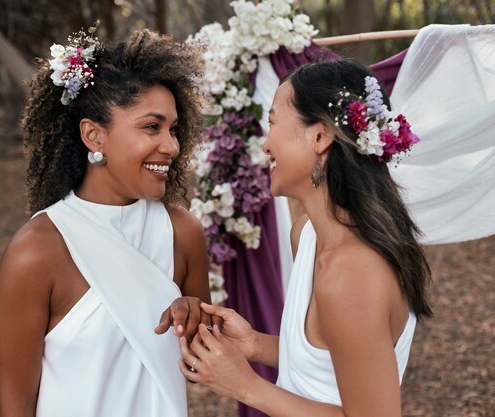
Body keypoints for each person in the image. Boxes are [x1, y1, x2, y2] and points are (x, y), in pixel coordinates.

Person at [174, 60, 432, 417]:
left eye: (273, 123)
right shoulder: (307, 236)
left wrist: (246, 386)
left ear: (320, 136)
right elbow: (336, 358)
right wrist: (254, 345)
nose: (265, 145)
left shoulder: (353, 277)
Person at [0, 27, 213, 417]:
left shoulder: (183, 233)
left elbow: (199, 370)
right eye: (151, 126)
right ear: (93, 135)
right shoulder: (37, 250)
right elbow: (14, 407)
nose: (172, 146)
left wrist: (194, 321)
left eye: (174, 129)